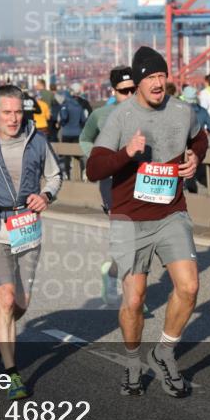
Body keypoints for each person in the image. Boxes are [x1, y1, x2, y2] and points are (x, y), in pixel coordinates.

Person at [86, 46, 208, 398]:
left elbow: (200, 138)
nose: (157, 83)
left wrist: (195, 157)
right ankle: (132, 362)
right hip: (129, 219)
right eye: (150, 77)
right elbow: (94, 169)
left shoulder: (182, 111)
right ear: (138, 82)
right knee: (135, 299)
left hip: (171, 212)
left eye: (161, 76)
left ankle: (164, 352)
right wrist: (126, 153)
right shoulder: (121, 117)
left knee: (189, 287)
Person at [0, 85, 62, 400]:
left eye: (18, 112)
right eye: (7, 112)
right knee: (5, 298)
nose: (13, 118)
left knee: (21, 303)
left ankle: (1, 323)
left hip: (28, 226)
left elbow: (55, 176)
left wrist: (46, 196)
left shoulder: (37, 141)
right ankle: (12, 374)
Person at [80, 67, 138, 304]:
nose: (130, 95)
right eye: (124, 91)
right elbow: (85, 138)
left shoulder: (151, 113)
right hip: (112, 185)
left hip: (142, 184)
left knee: (141, 242)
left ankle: (113, 273)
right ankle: (133, 298)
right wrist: (97, 159)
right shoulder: (101, 115)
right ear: (114, 91)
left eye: (134, 89)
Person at [180, 86, 210, 194]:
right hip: (199, 146)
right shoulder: (203, 111)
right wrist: (204, 134)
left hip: (184, 148)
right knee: (199, 173)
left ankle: (193, 197)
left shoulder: (180, 110)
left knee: (188, 176)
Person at [56, 83, 90, 179]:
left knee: (67, 155)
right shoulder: (79, 106)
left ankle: (67, 174)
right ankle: (82, 173)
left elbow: (64, 117)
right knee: (78, 154)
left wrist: (62, 123)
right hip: (78, 132)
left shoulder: (65, 105)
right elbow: (83, 120)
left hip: (67, 132)